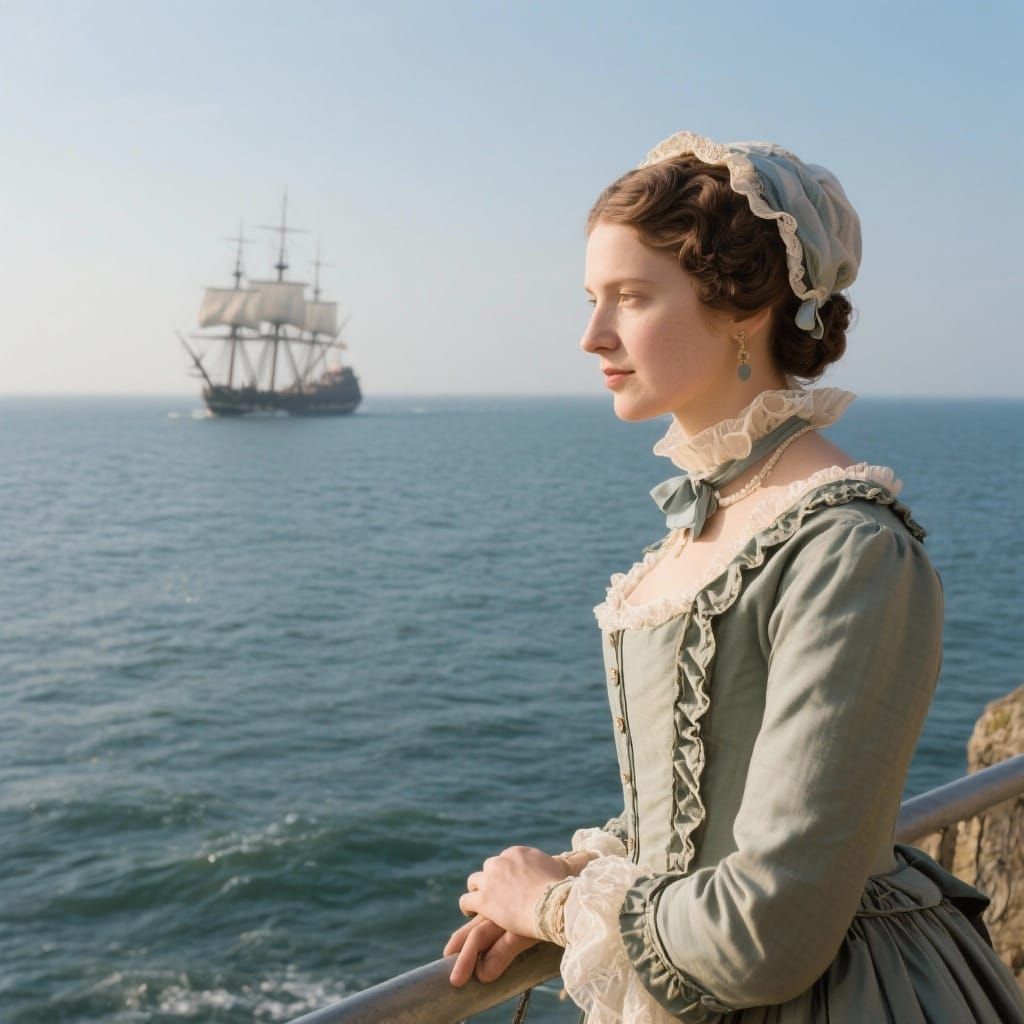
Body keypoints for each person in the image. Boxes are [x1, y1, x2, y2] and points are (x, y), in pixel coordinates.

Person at [442, 131, 1024, 1022]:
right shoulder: (711, 519)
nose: (592, 333)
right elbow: (708, 797)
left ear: (742, 309)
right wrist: (588, 868)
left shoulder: (849, 549)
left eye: (631, 297)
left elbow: (771, 928)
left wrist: (550, 907)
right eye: (593, 298)